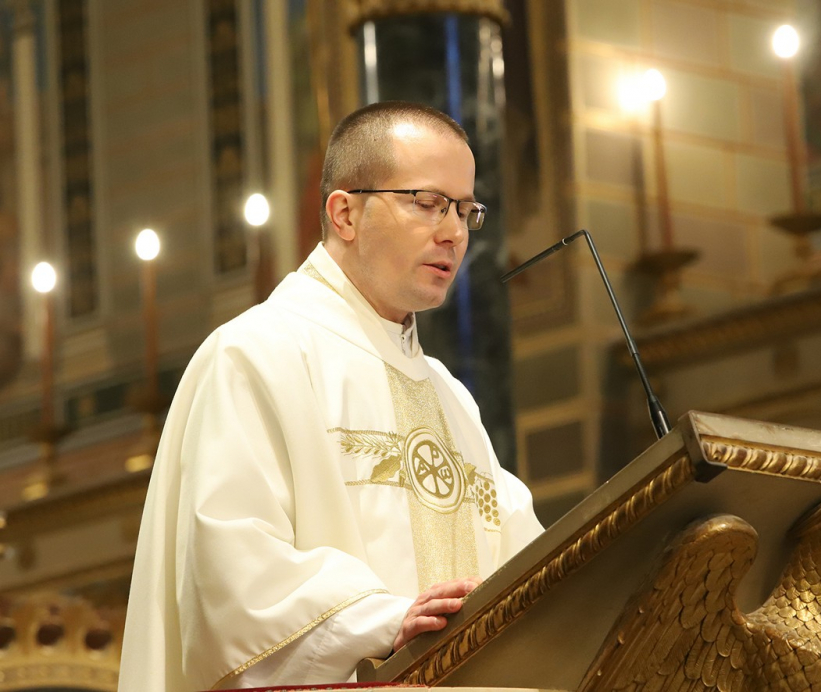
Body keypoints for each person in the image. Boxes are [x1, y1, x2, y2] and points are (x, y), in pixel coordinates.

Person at [119, 102, 544, 691]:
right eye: (427, 203)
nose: (453, 232)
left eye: (465, 210)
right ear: (345, 214)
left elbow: (531, 566)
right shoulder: (255, 355)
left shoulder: (451, 396)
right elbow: (230, 574)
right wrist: (385, 622)